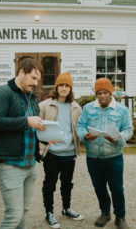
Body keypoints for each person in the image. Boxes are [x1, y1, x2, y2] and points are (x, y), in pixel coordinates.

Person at [0, 58, 45, 229]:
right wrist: (26, 121)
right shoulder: (2, 92)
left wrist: (45, 136)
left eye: (38, 80)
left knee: (23, 211)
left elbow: (32, 128)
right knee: (13, 215)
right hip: (9, 165)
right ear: (21, 72)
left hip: (29, 165)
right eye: (33, 78)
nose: (36, 83)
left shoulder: (31, 98)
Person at [76, 78, 133, 229]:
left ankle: (120, 217)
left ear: (110, 92)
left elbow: (129, 129)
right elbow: (80, 126)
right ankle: (105, 212)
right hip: (93, 157)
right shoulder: (87, 109)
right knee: (99, 187)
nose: (102, 96)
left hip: (114, 156)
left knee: (117, 188)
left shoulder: (122, 110)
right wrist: (85, 136)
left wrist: (120, 137)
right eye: (99, 93)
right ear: (96, 94)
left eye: (105, 92)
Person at [38, 72, 83, 228]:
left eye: (67, 86)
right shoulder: (44, 105)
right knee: (50, 183)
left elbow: (79, 129)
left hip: (69, 152)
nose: (64, 89)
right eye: (61, 85)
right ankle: (49, 212)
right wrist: (41, 147)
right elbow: (38, 130)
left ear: (70, 88)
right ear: (56, 87)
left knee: (67, 183)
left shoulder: (76, 107)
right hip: (52, 152)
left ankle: (66, 208)